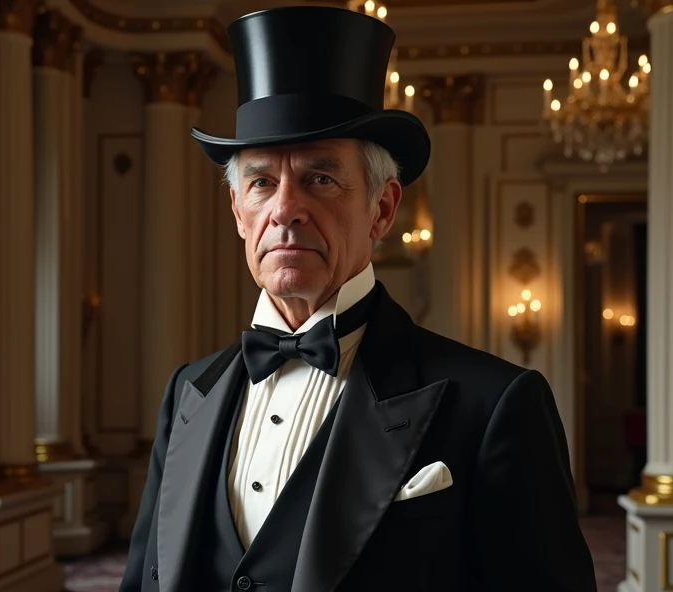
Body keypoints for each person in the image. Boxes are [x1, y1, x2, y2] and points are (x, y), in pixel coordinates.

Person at [119, 6, 596, 592]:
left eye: (320, 178)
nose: (285, 209)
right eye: (262, 182)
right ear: (239, 212)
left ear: (383, 209)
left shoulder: (494, 403)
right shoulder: (187, 391)